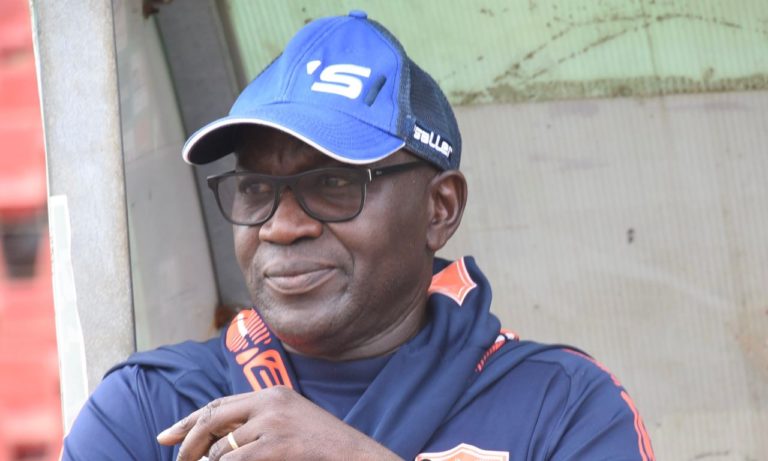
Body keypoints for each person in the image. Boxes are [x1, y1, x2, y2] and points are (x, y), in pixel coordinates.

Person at [62, 11, 654, 461]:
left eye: (333, 184)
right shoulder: (149, 409)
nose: (281, 226)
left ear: (440, 209)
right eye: (255, 188)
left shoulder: (563, 405)